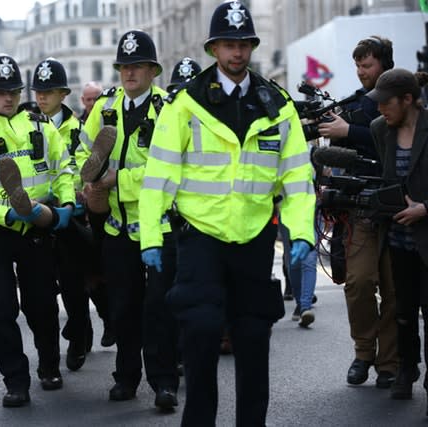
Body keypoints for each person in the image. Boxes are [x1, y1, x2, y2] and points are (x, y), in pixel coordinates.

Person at [138, 2, 315, 425]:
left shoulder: (277, 103)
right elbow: (159, 173)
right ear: (214, 48)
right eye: (228, 44)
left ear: (251, 46)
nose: (236, 53)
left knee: (253, 336)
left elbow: (296, 175)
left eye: (243, 44)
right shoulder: (185, 104)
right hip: (200, 235)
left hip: (254, 236)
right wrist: (150, 235)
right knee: (199, 331)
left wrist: (302, 231)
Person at [0, 53, 75, 408]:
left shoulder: (41, 126)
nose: (7, 98)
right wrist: (8, 216)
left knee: (41, 304)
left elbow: (63, 169)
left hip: (39, 226)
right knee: (1, 309)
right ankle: (15, 381)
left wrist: (66, 204)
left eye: (13, 91)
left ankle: (49, 366)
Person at [77, 29, 180, 411]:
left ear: (153, 70)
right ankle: (125, 377)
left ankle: (164, 382)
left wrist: (117, 180)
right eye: (124, 66)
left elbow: (168, 172)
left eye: (137, 66)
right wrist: (82, 184)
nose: (129, 73)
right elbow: (82, 154)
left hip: (159, 227)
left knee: (159, 308)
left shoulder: (168, 110)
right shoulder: (104, 109)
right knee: (123, 306)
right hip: (116, 226)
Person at [318, 35, 398, 388]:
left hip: (399, 209)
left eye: (367, 65)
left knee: (396, 291)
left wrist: (349, 130)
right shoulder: (353, 105)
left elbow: (392, 138)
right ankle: (363, 352)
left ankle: (389, 363)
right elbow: (334, 157)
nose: (361, 72)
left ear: (384, 64)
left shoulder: (403, 100)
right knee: (359, 283)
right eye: (358, 66)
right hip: (360, 208)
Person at [30, 58, 112, 371]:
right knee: (45, 287)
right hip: (37, 213)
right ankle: (82, 328)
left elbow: (82, 167)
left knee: (73, 281)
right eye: (38, 91)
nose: (42, 97)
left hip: (71, 213)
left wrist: (72, 192)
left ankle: (79, 336)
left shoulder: (79, 130)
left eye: (49, 91)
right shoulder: (26, 127)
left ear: (64, 93)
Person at [368, 69, 428, 404]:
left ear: (407, 99)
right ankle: (407, 368)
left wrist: (424, 208)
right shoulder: (380, 130)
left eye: (386, 103)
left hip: (426, 235)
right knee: (403, 311)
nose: (380, 110)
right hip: (397, 239)